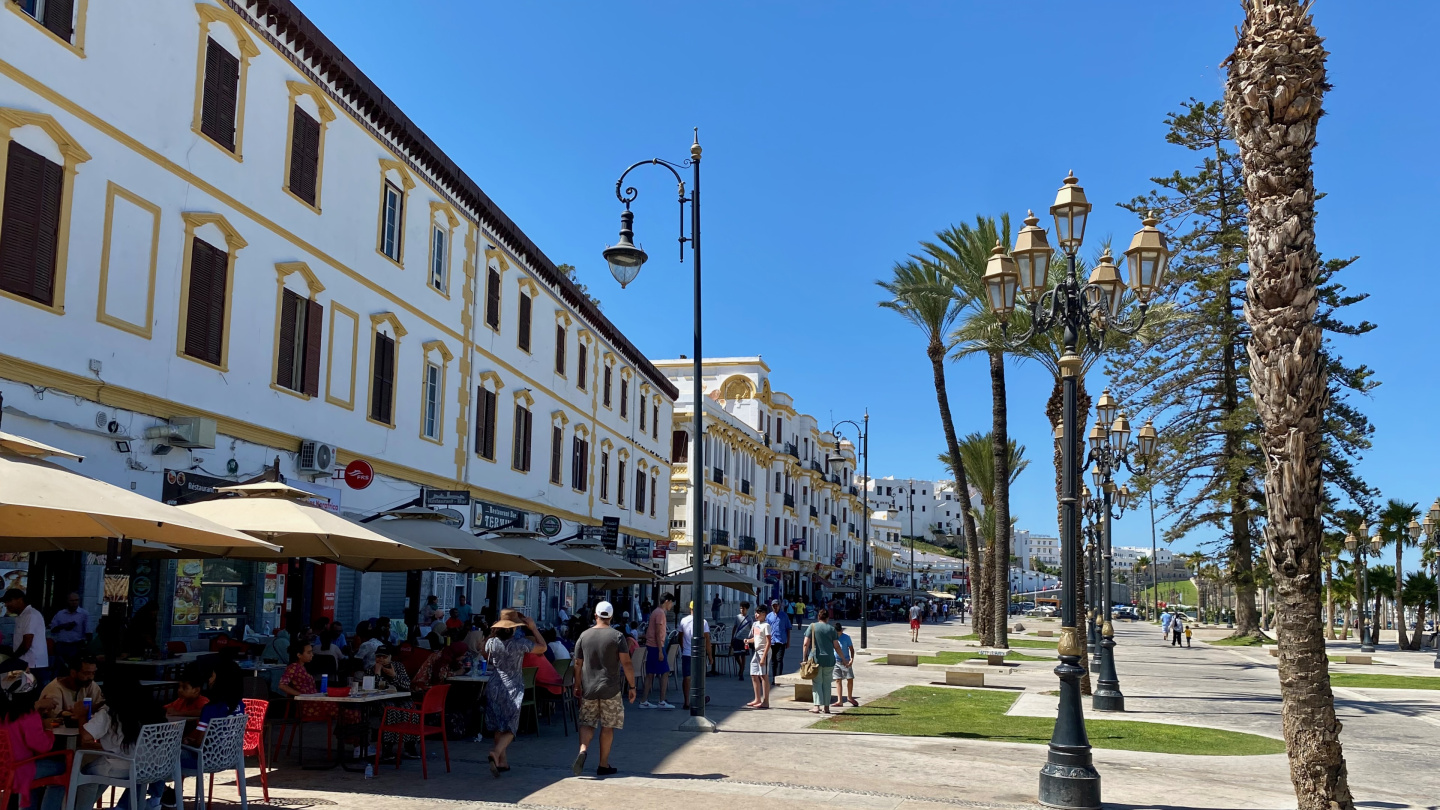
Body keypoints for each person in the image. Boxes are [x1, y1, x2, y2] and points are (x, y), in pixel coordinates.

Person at [75, 673, 169, 810]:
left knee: (87, 771)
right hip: (152, 766)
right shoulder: (152, 708)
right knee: (98, 769)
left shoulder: (110, 712)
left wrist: (81, 715)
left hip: (123, 767)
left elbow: (86, 736)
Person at [571, 601, 634, 777]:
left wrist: (577, 685)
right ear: (611, 616)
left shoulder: (584, 635)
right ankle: (603, 764)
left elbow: (577, 663)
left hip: (589, 688)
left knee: (587, 722)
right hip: (611, 688)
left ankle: (583, 750)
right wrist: (632, 686)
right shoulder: (617, 636)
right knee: (607, 726)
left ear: (595, 615)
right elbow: (626, 663)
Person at [484, 610, 546, 777]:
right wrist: (533, 628)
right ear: (513, 628)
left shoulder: (492, 642)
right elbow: (543, 647)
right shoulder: (520, 643)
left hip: (494, 684)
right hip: (512, 686)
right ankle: (496, 752)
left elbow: (483, 651)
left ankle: (502, 762)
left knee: (498, 724)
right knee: (511, 727)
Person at [3, 670, 66, 810]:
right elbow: (43, 746)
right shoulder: (29, 716)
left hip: (3, 769)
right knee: (64, 769)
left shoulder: (4, 714)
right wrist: (48, 729)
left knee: (36, 775)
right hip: (21, 769)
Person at [801, 609, 845, 714]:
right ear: (827, 618)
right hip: (829, 659)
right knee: (827, 684)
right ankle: (826, 707)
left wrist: (804, 658)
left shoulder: (812, 627)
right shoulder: (831, 629)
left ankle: (816, 706)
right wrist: (843, 658)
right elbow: (836, 646)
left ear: (818, 617)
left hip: (815, 659)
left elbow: (806, 644)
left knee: (817, 683)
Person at [39, 656, 104, 722]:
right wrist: (69, 714)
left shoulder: (90, 685)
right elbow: (52, 715)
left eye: (93, 673)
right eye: (86, 673)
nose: (91, 677)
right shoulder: (54, 688)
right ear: (73, 673)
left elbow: (100, 706)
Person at [4, 589, 49, 680]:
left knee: (31, 692)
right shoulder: (21, 616)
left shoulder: (30, 615)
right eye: (5, 602)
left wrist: (12, 658)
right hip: (25, 662)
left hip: (33, 664)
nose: (6, 604)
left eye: (9, 601)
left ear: (20, 600)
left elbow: (27, 643)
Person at [638, 593, 673, 709]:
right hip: (656, 646)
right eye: (671, 602)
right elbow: (657, 632)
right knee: (665, 672)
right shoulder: (660, 613)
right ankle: (661, 700)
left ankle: (644, 700)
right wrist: (660, 651)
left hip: (652, 645)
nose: (672, 605)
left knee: (650, 674)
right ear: (667, 601)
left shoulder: (656, 612)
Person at [678, 602, 710, 710]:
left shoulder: (683, 620)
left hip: (686, 653)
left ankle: (686, 701)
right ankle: (698, 699)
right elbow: (707, 640)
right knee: (699, 678)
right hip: (699, 654)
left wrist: (683, 648)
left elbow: (680, 636)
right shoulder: (703, 622)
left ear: (689, 608)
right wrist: (710, 656)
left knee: (687, 678)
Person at [48, 592, 89, 669]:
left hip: (76, 645)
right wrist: (63, 626)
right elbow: (53, 629)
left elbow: (88, 631)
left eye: (76, 600)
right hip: (62, 645)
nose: (74, 603)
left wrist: (86, 646)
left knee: (74, 669)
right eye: (72, 600)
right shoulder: (60, 614)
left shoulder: (84, 614)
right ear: (67, 601)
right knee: (59, 669)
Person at [746, 605, 771, 709]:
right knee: (753, 674)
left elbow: (769, 642)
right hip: (756, 652)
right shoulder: (755, 624)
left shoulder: (766, 626)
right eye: (756, 612)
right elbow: (755, 638)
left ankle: (766, 701)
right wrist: (747, 641)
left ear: (764, 614)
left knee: (763, 676)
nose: (756, 615)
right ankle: (757, 698)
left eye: (758, 613)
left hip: (763, 651)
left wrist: (763, 657)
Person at [831, 622, 858, 708]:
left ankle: (849, 697)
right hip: (836, 661)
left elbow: (852, 649)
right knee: (838, 680)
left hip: (846, 661)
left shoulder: (846, 637)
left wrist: (852, 659)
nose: (839, 634)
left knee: (850, 678)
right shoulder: (832, 638)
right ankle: (840, 700)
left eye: (840, 632)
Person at [766, 599, 791, 686]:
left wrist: (788, 641)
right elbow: (766, 630)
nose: (775, 607)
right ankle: (774, 678)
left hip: (781, 640)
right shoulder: (769, 616)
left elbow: (788, 629)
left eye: (776, 605)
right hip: (772, 641)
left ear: (779, 606)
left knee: (779, 660)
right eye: (773, 606)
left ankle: (778, 679)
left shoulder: (784, 616)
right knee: (773, 661)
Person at [730, 602, 753, 680]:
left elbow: (752, 629)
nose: (741, 610)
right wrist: (732, 637)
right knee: (736, 655)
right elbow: (734, 627)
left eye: (743, 608)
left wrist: (751, 640)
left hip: (745, 640)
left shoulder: (749, 619)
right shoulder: (737, 617)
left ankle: (741, 672)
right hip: (737, 638)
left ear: (747, 609)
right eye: (740, 608)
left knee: (743, 655)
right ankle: (741, 666)